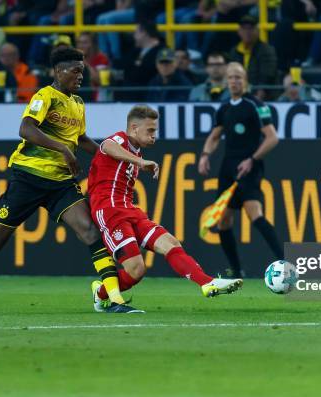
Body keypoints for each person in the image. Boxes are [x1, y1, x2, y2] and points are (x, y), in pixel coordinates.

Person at [0, 46, 136, 314]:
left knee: (89, 231)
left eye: (83, 71)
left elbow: (81, 139)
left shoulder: (77, 103)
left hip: (60, 184)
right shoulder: (45, 96)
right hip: (28, 179)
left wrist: (115, 155)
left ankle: (113, 298)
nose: (81, 76)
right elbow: (26, 129)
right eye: (76, 71)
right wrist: (63, 149)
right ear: (58, 71)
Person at [88, 105, 244, 312]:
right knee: (136, 270)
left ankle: (207, 282)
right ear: (134, 128)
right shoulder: (120, 140)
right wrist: (140, 161)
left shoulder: (135, 151)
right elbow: (106, 146)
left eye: (155, 131)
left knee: (170, 242)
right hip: (109, 211)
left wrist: (138, 159)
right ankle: (101, 294)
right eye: (150, 131)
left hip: (129, 209)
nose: (154, 136)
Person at [198, 62, 283, 278]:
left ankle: (284, 262)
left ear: (245, 81)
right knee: (223, 220)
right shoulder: (224, 108)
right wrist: (205, 155)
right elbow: (215, 136)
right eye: (231, 78)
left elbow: (272, 137)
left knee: (254, 213)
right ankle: (236, 271)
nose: (234, 81)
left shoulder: (255, 105)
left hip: (249, 166)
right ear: (226, 81)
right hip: (228, 167)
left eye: (238, 77)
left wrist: (252, 159)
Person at [228, 15, 278, 100]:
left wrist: (258, 96)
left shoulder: (266, 50)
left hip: (262, 96)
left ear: (257, 31)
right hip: (238, 92)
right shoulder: (234, 51)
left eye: (251, 28)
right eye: (244, 28)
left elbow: (267, 75)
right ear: (239, 31)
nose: (247, 32)